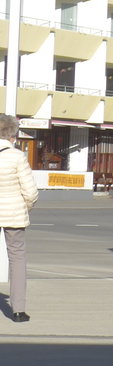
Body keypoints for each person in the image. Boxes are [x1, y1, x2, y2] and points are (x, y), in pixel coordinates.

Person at [0, 113, 38, 322]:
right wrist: (26, 207)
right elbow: (30, 191)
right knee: (17, 258)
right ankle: (18, 310)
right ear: (12, 135)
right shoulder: (16, 156)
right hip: (13, 212)